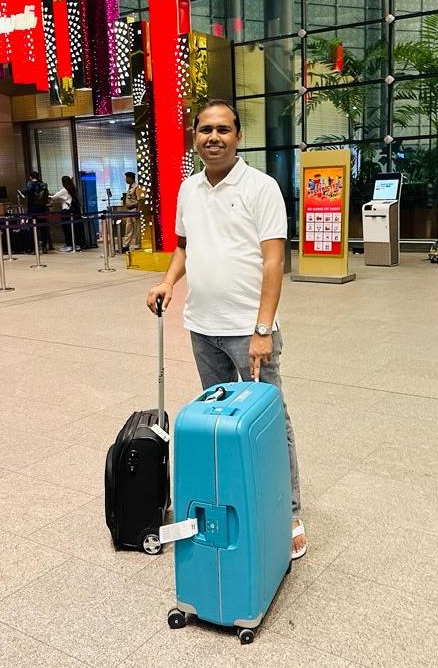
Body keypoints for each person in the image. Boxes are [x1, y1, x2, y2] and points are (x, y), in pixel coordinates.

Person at [145, 99, 306, 561]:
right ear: (194, 137)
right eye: (205, 130)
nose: (213, 138)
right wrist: (168, 281)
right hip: (202, 327)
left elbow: (274, 261)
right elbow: (185, 247)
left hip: (249, 330)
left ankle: (289, 512)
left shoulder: (261, 187)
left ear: (238, 136)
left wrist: (263, 328)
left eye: (223, 130)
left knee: (270, 421)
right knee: (218, 422)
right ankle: (234, 498)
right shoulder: (188, 189)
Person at [50, 175, 83, 252]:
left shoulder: (64, 190)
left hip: (66, 212)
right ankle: (76, 245)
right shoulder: (73, 189)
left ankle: (69, 245)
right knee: (74, 229)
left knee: (67, 229)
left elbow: (54, 197)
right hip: (74, 212)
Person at [121, 171, 142, 252]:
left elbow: (139, 201)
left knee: (137, 229)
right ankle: (126, 245)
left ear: (131, 178)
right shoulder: (129, 188)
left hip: (135, 210)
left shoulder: (136, 187)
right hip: (129, 211)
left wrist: (138, 212)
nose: (126, 180)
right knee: (128, 228)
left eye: (127, 178)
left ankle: (137, 245)